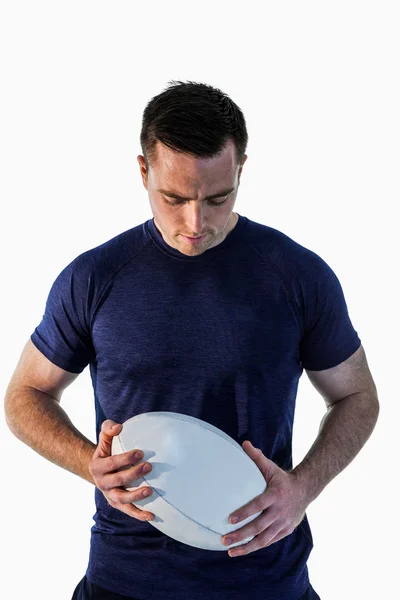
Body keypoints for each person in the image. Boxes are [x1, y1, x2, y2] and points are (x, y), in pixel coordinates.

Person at [4, 80, 379, 600]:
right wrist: (89, 462)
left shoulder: (297, 276)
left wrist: (304, 488)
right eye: (174, 198)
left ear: (241, 169)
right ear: (143, 172)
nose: (195, 223)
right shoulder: (95, 277)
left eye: (218, 198)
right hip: (125, 581)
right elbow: (25, 395)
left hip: (266, 581)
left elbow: (357, 395)